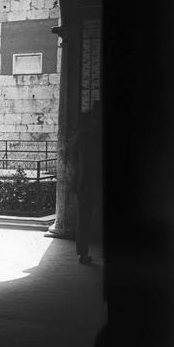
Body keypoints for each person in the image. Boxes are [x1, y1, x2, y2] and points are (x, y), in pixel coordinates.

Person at [74, 104, 102, 264]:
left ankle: (82, 254)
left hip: (85, 183)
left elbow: (72, 159)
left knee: (83, 220)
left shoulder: (82, 136)